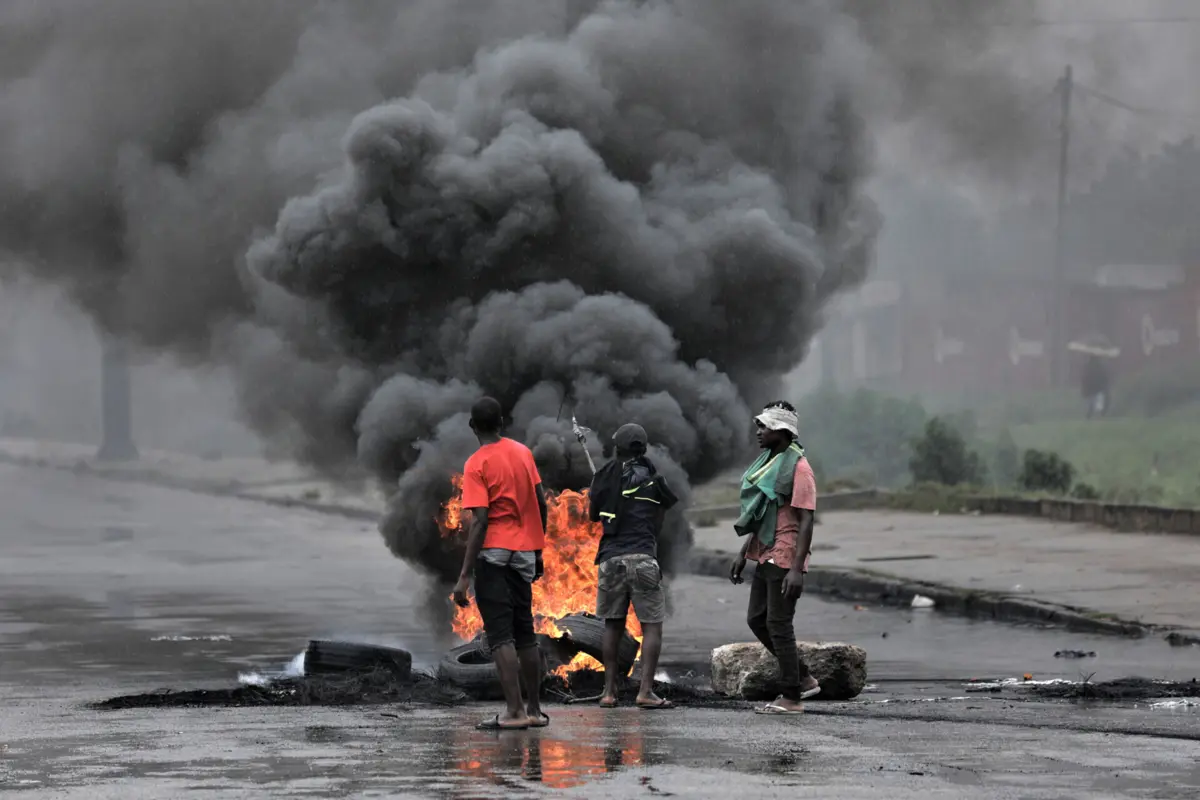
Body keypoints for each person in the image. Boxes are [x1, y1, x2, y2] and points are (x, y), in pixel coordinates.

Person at [452, 397, 549, 730]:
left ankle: (514, 712)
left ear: (472, 426)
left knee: (500, 636)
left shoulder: (476, 464)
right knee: (525, 634)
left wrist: (464, 575)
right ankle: (534, 710)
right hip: (524, 553)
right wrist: (537, 549)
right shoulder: (523, 452)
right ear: (502, 422)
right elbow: (540, 503)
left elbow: (480, 520)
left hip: (494, 554)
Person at [729, 401, 820, 715]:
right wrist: (744, 553)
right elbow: (763, 513)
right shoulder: (770, 464)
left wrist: (796, 568)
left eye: (764, 427)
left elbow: (806, 520)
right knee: (757, 619)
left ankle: (792, 697)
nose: (758, 432)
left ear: (781, 430)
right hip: (766, 550)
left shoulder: (799, 468)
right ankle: (803, 678)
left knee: (779, 623)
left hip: (785, 555)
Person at [588, 423, 678, 709]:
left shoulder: (604, 477)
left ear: (617, 448)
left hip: (610, 559)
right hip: (643, 558)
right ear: (643, 448)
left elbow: (594, 516)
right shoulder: (654, 480)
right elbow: (658, 523)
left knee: (612, 626)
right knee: (651, 627)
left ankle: (608, 693)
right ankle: (645, 692)